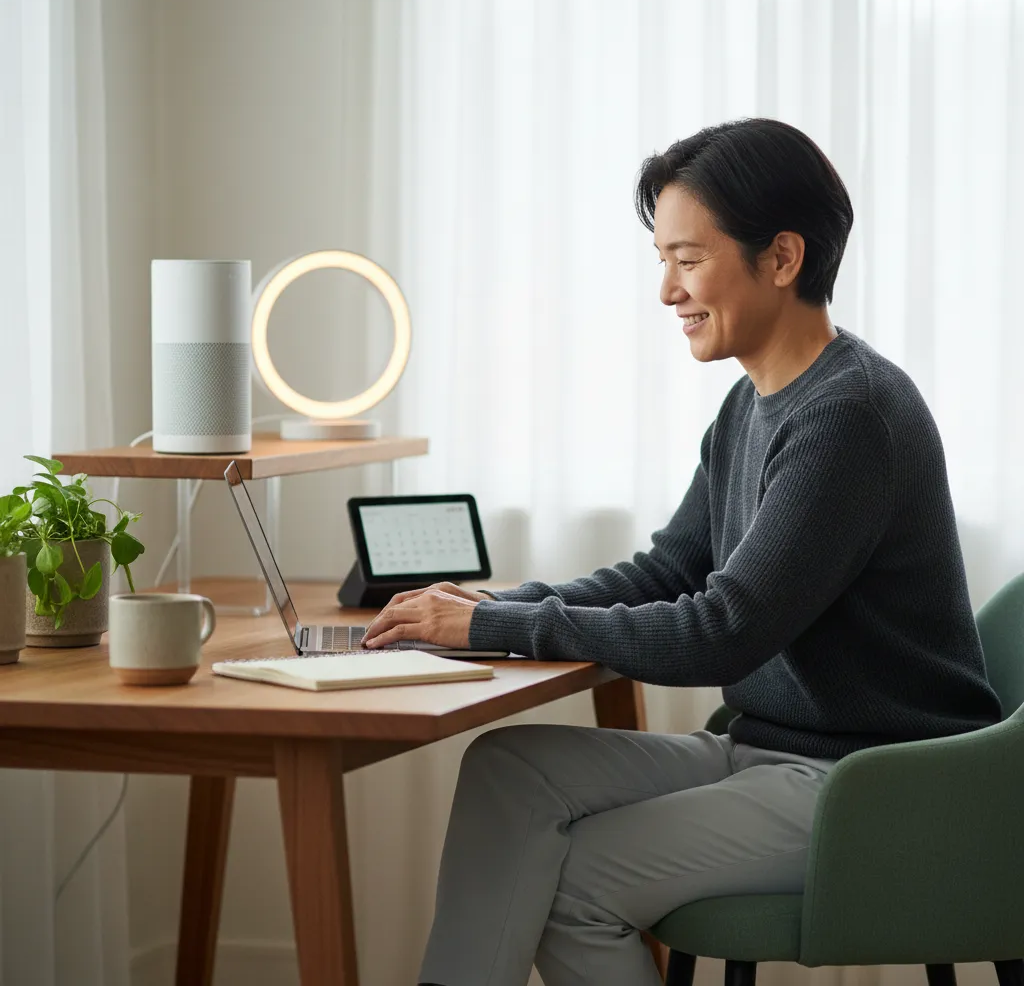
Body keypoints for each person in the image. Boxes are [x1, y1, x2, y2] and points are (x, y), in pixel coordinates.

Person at [361, 117, 1002, 986]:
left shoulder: (851, 417)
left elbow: (724, 629)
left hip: (871, 785)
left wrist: (508, 625)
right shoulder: (751, 406)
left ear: (782, 258)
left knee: (575, 880)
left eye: (688, 258)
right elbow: (671, 569)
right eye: (662, 258)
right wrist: (504, 608)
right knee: (508, 770)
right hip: (768, 752)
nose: (667, 290)